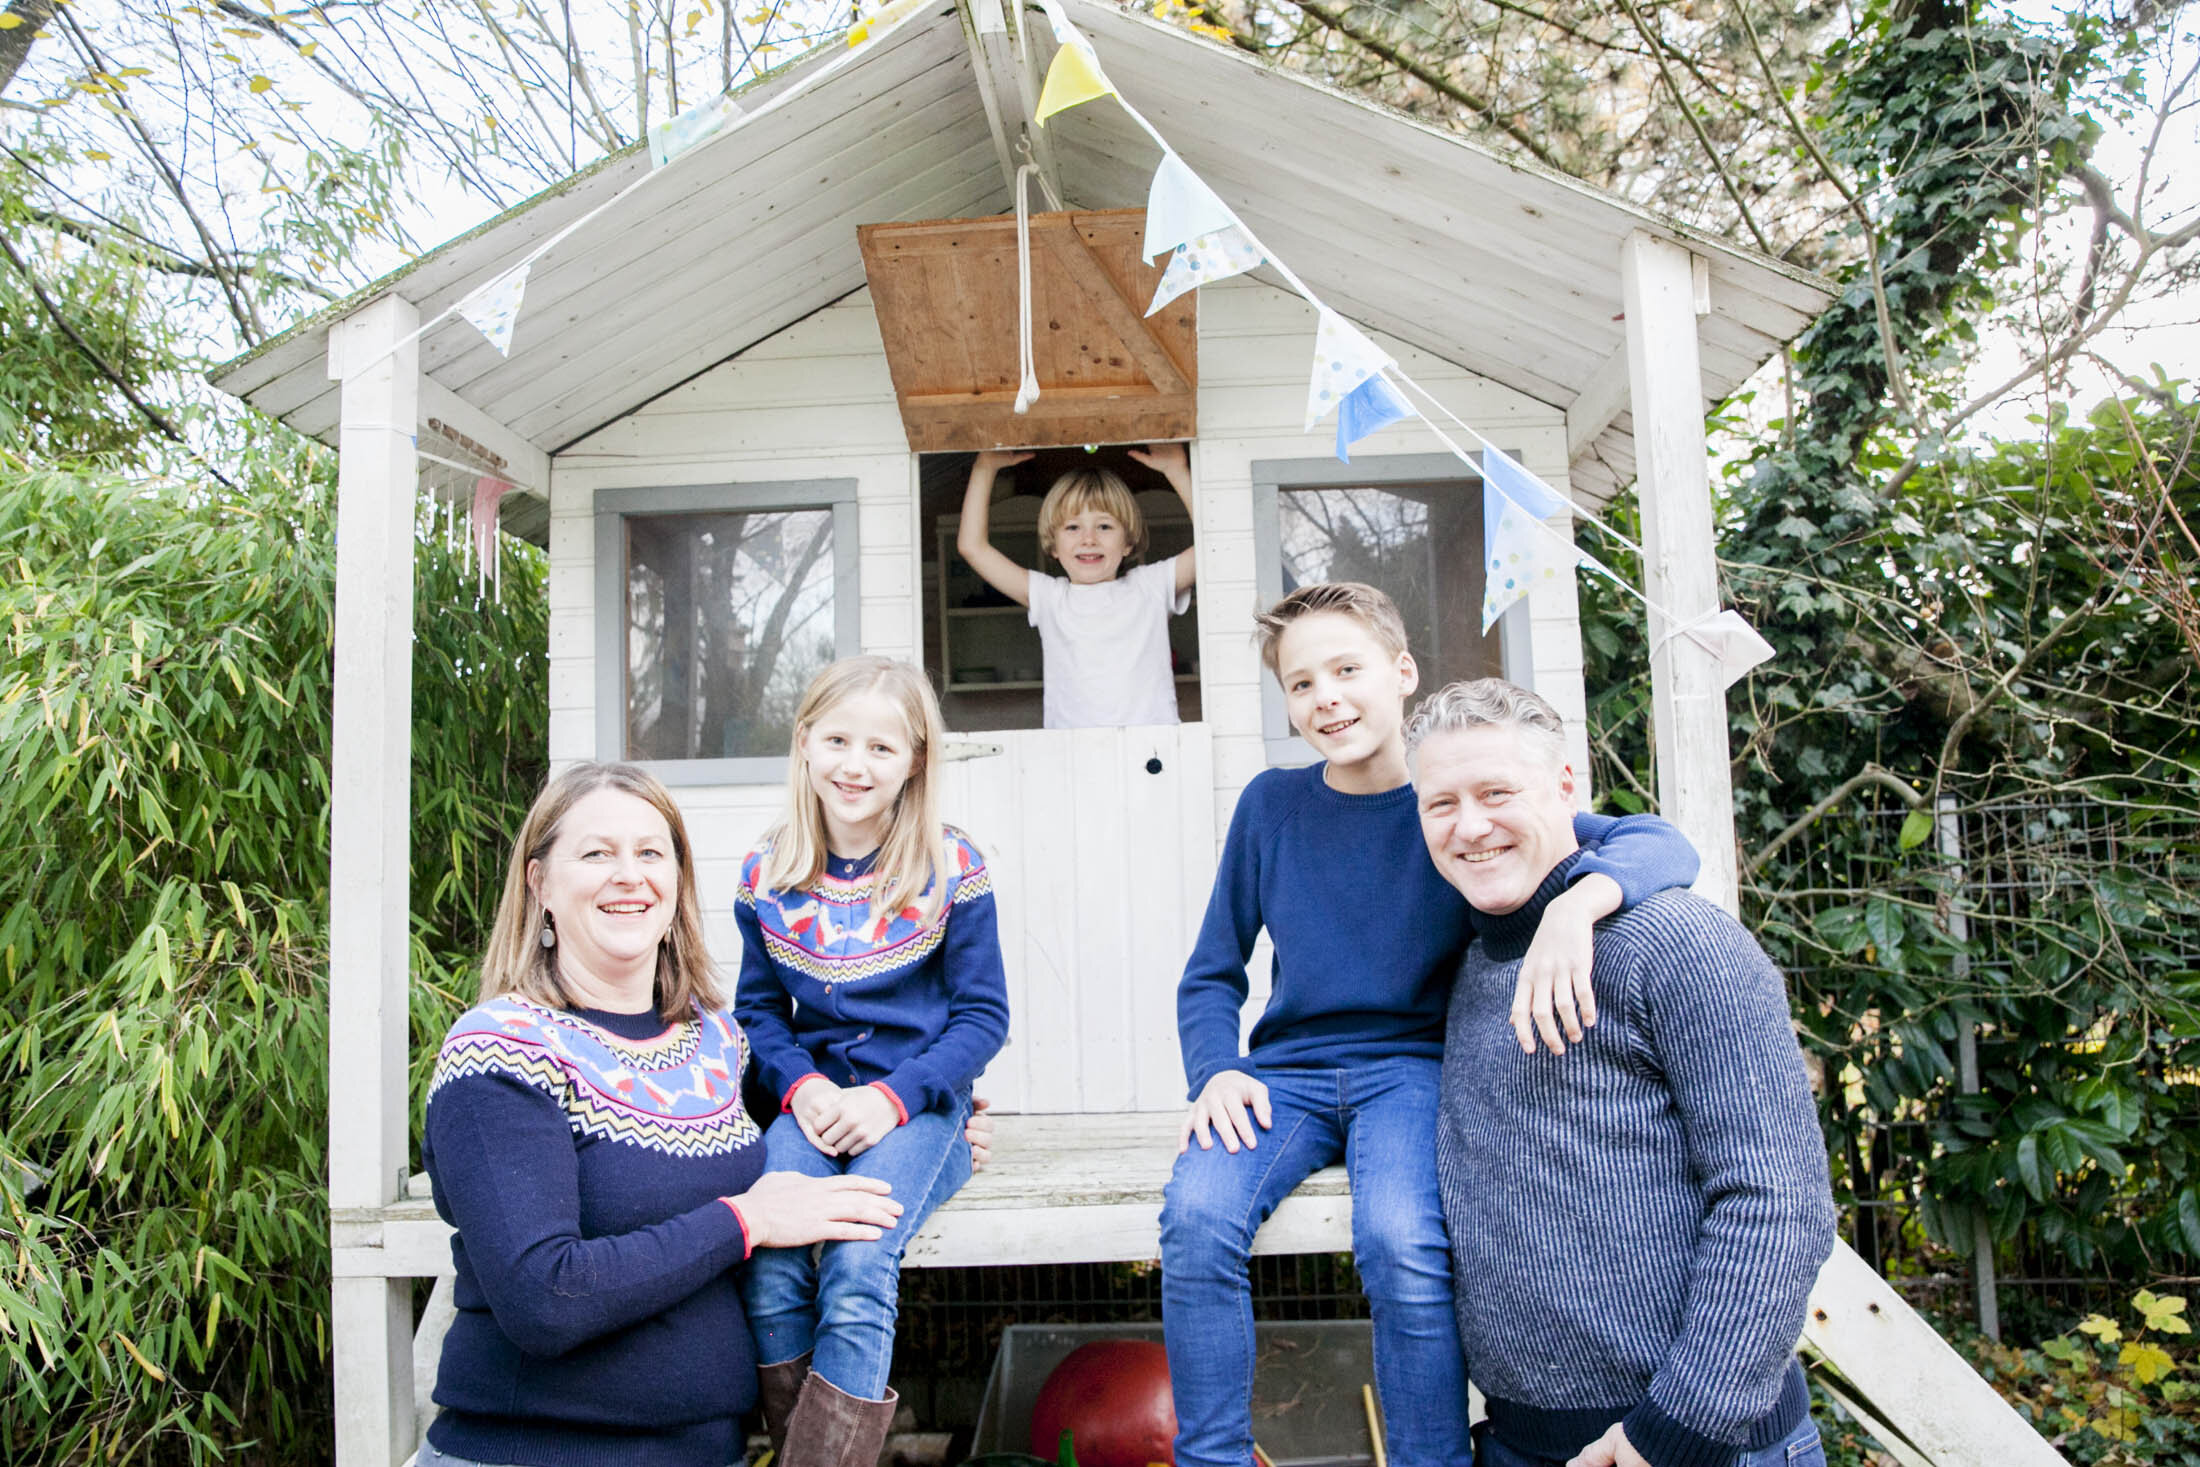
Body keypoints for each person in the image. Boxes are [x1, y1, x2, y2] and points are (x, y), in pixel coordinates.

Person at [1162, 582, 1702, 1467]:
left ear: (1402, 672)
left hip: (1412, 1070)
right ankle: (1211, 1457)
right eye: (1300, 683)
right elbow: (1211, 972)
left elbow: (1659, 843)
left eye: (1346, 669)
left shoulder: (1451, 803)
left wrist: (1582, 906)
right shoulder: (1269, 806)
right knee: (1194, 1218)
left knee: (1401, 1240)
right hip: (1284, 1076)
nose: (1325, 696)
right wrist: (1215, 1068)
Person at [418, 761, 911, 1467]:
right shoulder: (502, 1050)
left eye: (652, 852)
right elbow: (545, 1294)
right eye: (597, 853)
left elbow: (821, 1129)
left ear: (676, 880)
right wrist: (747, 1220)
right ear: (540, 883)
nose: (629, 874)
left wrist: (922, 1117)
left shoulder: (721, 1043)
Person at [1409, 678, 1837, 1467]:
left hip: (1690, 1447)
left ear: (1566, 787)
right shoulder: (1464, 965)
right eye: (1441, 804)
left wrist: (1672, 1434)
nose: (1471, 825)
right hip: (1519, 1443)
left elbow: (1781, 1201)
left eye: (1497, 791)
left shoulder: (1678, 943)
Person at [734, 656, 1012, 1467]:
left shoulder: (951, 866)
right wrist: (804, 1084)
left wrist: (895, 1100)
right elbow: (758, 1011)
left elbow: (983, 1015)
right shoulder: (767, 872)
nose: (856, 764)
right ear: (806, 744)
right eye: (838, 740)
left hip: (917, 1105)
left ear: (916, 759)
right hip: (812, 1108)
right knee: (775, 1265)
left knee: (857, 1263)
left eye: (882, 748)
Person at [956, 444, 1196, 729]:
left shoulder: (1151, 587)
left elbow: (1215, 542)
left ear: (1128, 541)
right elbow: (972, 547)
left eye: (1104, 526)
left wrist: (1178, 472)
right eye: (1073, 528)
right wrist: (984, 468)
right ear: (1053, 544)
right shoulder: (1049, 597)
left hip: (1152, 754)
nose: (1088, 539)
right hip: (1070, 755)